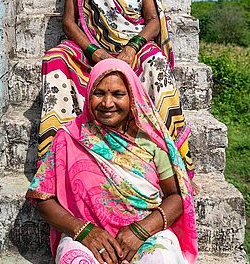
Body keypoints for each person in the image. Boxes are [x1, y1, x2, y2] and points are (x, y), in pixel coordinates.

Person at [37, 0, 195, 190]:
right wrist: (95, 52)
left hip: (132, 45)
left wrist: (133, 48)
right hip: (91, 47)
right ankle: (55, 166)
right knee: (55, 57)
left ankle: (174, 164)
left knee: (156, 63)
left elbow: (152, 21)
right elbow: (70, 23)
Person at [26, 59, 198, 264]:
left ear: (132, 96)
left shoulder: (151, 141)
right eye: (99, 94)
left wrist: (141, 230)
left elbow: (177, 197)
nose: (107, 103)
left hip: (145, 234)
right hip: (86, 237)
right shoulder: (69, 137)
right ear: (88, 94)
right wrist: (83, 231)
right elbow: (42, 197)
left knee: (162, 258)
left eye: (118, 94)